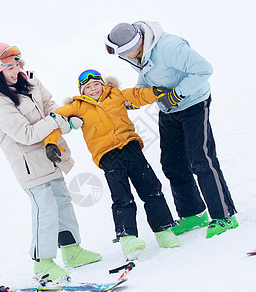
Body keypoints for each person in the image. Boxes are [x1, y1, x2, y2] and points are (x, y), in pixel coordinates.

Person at [0, 42, 101, 281]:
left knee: (63, 202)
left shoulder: (31, 82)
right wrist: (57, 121)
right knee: (44, 209)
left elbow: (49, 106)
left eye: (16, 64)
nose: (15, 70)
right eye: (8, 68)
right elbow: (25, 134)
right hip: (30, 166)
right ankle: (42, 262)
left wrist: (65, 119)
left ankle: (72, 250)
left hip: (50, 156)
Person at [104, 21, 238, 238]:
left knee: (201, 159)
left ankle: (224, 215)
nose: (125, 57)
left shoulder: (169, 48)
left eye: (126, 52)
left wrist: (178, 94)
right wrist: (131, 101)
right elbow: (146, 80)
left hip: (194, 103)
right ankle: (193, 214)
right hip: (168, 110)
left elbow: (204, 69)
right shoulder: (138, 55)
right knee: (172, 163)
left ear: (136, 43)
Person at [44, 69, 180, 260]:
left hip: (131, 147)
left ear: (103, 84)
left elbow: (137, 95)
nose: (93, 89)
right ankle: (128, 238)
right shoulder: (77, 106)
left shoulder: (115, 94)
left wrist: (155, 92)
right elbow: (55, 121)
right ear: (82, 91)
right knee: (122, 197)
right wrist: (50, 142)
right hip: (108, 156)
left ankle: (164, 231)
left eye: (96, 84)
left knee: (151, 189)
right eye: (88, 87)